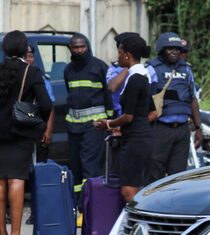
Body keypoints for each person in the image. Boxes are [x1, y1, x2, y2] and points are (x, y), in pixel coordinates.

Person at [0, 31, 53, 235]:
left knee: (0, 181)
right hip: (20, 133)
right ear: (25, 50)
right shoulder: (31, 72)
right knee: (16, 179)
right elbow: (46, 104)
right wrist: (38, 123)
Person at [93, 36, 155, 202]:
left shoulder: (136, 78)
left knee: (128, 191)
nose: (118, 56)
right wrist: (120, 127)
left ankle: (138, 218)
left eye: (119, 52)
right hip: (140, 136)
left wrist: (108, 123)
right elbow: (152, 112)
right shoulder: (142, 75)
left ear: (127, 55)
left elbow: (128, 116)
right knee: (137, 188)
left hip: (136, 140)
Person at [63, 33, 112, 196]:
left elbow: (109, 95)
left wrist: (109, 121)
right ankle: (78, 202)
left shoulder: (100, 67)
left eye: (82, 47)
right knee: (75, 165)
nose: (79, 50)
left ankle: (92, 202)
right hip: (73, 126)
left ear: (87, 47)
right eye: (75, 47)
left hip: (94, 125)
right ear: (70, 49)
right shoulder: (68, 70)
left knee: (89, 165)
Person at [148, 32, 202, 179]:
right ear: (161, 49)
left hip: (182, 130)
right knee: (155, 174)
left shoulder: (186, 69)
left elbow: (192, 99)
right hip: (160, 129)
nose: (175, 52)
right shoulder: (152, 69)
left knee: (178, 176)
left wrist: (198, 127)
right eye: (170, 48)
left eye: (177, 49)